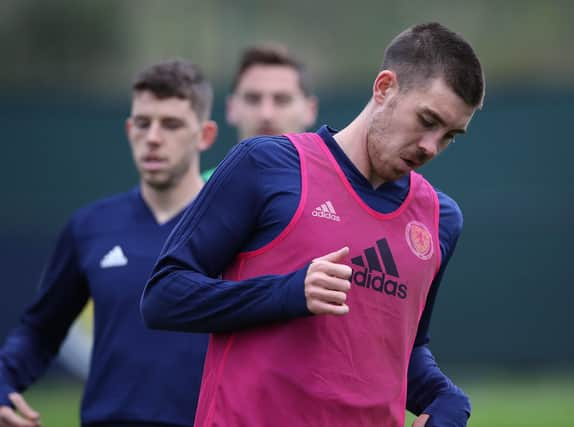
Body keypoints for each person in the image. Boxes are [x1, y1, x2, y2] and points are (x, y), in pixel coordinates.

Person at [142, 22, 484, 427]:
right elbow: (164, 296)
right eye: (427, 120)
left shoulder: (439, 219)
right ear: (385, 88)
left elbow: (405, 349)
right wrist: (285, 292)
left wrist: (444, 398)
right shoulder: (265, 165)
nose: (431, 146)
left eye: (450, 136)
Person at [0, 59, 217, 427]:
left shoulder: (234, 227)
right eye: (143, 123)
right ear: (128, 129)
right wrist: (3, 382)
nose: (153, 137)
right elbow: (40, 329)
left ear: (205, 135)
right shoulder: (91, 226)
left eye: (171, 124)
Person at [202, 43, 318, 180]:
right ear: (231, 108)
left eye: (282, 100)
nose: (266, 114)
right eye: (253, 99)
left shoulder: (334, 191)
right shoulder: (200, 194)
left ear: (310, 110)